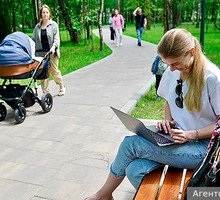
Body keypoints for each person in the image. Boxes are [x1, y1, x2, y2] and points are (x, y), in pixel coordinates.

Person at [85, 28, 220, 200]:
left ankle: (103, 196)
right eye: (167, 64)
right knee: (134, 169)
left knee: (130, 145)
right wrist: (167, 121)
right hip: (176, 136)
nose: (170, 69)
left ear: (191, 52)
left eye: (174, 63)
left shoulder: (213, 78)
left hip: (202, 148)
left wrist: (190, 134)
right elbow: (168, 102)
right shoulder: (174, 72)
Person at [32, 4, 66, 96]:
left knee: (54, 72)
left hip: (51, 53)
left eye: (47, 12)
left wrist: (54, 47)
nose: (45, 14)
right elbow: (33, 40)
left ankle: (62, 86)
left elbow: (57, 39)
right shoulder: (37, 27)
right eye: (43, 12)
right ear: (41, 14)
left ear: (49, 14)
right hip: (40, 54)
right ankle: (45, 93)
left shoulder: (54, 25)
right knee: (43, 73)